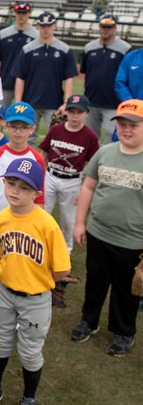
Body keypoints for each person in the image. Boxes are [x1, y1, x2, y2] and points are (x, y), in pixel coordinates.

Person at [0, 158, 70, 405]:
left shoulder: (47, 224)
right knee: (0, 342)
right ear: (4, 182)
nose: (15, 191)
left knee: (30, 351)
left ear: (37, 193)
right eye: (11, 183)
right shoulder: (1, 220)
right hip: (4, 292)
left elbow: (62, 269)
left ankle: (29, 398)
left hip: (36, 299)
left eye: (25, 188)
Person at [70, 99, 143, 357]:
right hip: (99, 233)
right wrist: (80, 222)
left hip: (133, 241)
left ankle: (124, 332)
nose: (127, 129)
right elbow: (88, 187)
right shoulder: (106, 152)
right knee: (96, 282)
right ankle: (89, 321)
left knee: (126, 289)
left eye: (133, 125)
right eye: (123, 124)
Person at [0, 102, 46, 324]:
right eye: (13, 126)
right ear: (6, 126)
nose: (17, 131)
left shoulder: (37, 158)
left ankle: (14, 302)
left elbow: (39, 198)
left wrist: (35, 226)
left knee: (17, 262)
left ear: (32, 129)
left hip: (23, 224)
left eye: (23, 127)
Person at [39, 94, 99, 254]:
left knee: (68, 221)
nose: (75, 115)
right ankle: (39, 244)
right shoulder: (56, 129)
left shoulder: (90, 137)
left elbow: (94, 165)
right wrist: (39, 177)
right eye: (71, 111)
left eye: (79, 112)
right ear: (66, 111)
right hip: (50, 176)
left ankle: (66, 251)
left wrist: (84, 188)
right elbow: (44, 153)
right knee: (42, 213)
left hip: (72, 181)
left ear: (86, 113)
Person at [14, 12, 77, 144]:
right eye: (43, 26)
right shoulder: (27, 49)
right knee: (27, 138)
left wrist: (66, 103)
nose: (46, 29)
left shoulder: (64, 49)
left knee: (55, 139)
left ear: (55, 26)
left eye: (49, 25)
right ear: (38, 26)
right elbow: (20, 78)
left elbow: (69, 78)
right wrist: (19, 102)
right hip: (30, 102)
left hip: (54, 103)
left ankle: (51, 165)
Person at [80, 14, 131, 144]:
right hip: (91, 101)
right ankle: (92, 163)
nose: (106, 30)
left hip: (113, 102)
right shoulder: (89, 47)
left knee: (111, 138)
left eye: (109, 27)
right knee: (90, 138)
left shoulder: (125, 49)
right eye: (103, 26)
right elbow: (85, 72)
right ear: (99, 27)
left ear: (115, 28)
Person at [0, 1, 37, 105]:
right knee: (0, 115)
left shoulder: (36, 35)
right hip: (5, 81)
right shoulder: (4, 34)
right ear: (15, 13)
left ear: (29, 14)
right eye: (19, 12)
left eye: (24, 13)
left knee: (22, 117)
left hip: (27, 84)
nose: (21, 15)